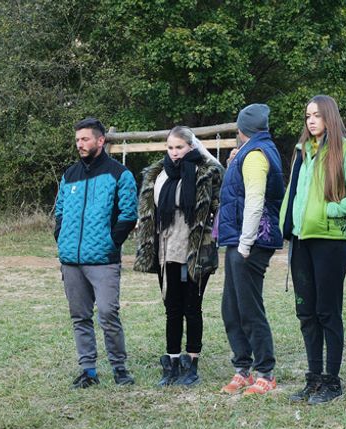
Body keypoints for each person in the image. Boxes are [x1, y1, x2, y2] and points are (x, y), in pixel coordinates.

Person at [281, 95, 346, 404]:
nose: (311, 120)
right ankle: (314, 378)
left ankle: (332, 381)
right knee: (306, 313)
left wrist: (331, 210)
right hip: (301, 240)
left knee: (327, 311)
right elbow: (293, 193)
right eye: (308, 115)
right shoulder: (301, 151)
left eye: (317, 115)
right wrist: (286, 223)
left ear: (329, 117)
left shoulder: (345, 152)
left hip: (330, 242)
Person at [135, 126, 223, 387]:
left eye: (180, 147)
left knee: (192, 307)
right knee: (172, 308)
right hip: (167, 249)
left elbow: (220, 201)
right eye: (170, 147)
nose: (174, 152)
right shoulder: (158, 174)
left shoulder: (205, 173)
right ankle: (172, 361)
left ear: (191, 147)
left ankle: (192, 362)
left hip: (195, 249)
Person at [54, 117, 139, 388]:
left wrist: (110, 243)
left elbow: (128, 214)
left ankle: (119, 367)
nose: (80, 144)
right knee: (80, 317)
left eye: (85, 139)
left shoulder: (120, 174)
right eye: (77, 140)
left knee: (108, 313)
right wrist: (61, 238)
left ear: (100, 141)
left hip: (103, 260)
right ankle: (88, 371)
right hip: (71, 260)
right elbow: (59, 211)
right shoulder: (69, 175)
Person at [217, 103, 286, 396]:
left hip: (251, 241)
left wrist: (245, 244)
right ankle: (242, 369)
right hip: (238, 239)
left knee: (248, 307)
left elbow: (255, 201)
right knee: (231, 307)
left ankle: (265, 372)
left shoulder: (256, 155)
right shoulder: (248, 152)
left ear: (240, 129)